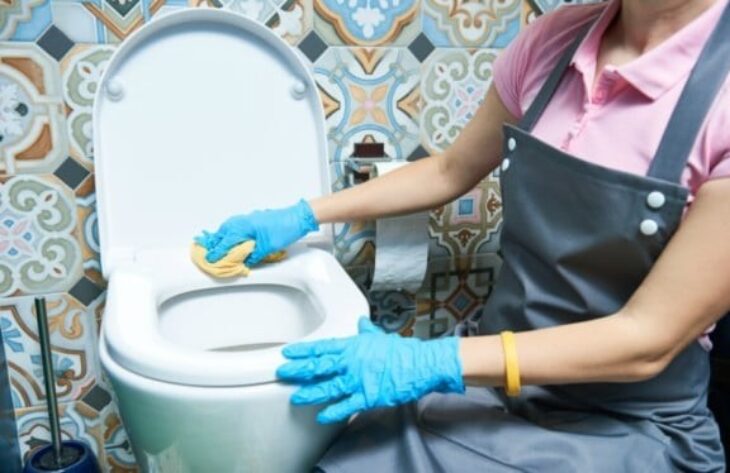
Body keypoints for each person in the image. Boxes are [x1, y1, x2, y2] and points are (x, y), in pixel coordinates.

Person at [196, 0, 730, 470]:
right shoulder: (553, 42)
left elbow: (647, 339)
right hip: (496, 387)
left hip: (626, 425)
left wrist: (434, 362)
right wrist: (302, 216)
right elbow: (450, 171)